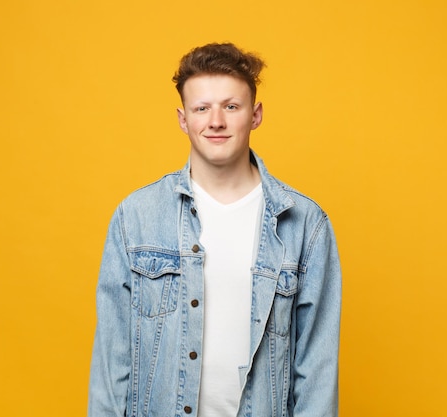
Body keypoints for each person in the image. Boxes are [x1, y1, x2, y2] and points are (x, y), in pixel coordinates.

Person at [88, 42, 341, 417]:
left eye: (231, 106)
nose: (216, 121)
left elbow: (317, 370)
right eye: (202, 108)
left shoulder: (305, 223)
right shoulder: (136, 217)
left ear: (255, 115)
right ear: (182, 118)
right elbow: (112, 361)